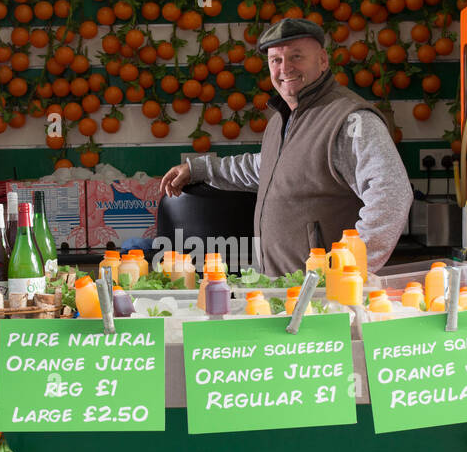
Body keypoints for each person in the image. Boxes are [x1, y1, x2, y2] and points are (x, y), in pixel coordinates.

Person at [159, 17, 412, 277]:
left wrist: (348, 269)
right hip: (286, 291)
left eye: (297, 57)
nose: (285, 68)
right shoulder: (283, 118)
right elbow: (262, 169)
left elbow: (392, 191)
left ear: (323, 60)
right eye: (276, 60)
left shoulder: (349, 119)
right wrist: (199, 169)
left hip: (324, 299)